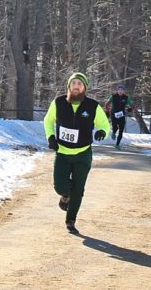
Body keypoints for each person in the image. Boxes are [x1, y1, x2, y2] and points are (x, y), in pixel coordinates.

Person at [44, 72, 110, 234]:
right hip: (63, 153)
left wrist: (102, 132)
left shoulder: (92, 106)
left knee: (78, 189)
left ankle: (70, 220)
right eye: (73, 83)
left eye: (80, 84)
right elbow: (48, 121)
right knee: (60, 186)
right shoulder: (58, 102)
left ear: (84, 88)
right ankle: (65, 196)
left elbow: (105, 125)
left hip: (83, 154)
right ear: (69, 86)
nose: (76, 86)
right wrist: (51, 136)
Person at [105, 85, 134, 150]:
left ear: (124, 91)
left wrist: (131, 109)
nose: (120, 91)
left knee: (121, 130)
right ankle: (114, 132)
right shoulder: (113, 96)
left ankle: (117, 145)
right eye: (119, 90)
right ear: (117, 90)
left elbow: (132, 105)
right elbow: (107, 104)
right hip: (114, 114)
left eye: (122, 90)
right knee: (115, 127)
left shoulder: (126, 97)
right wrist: (107, 111)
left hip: (122, 115)